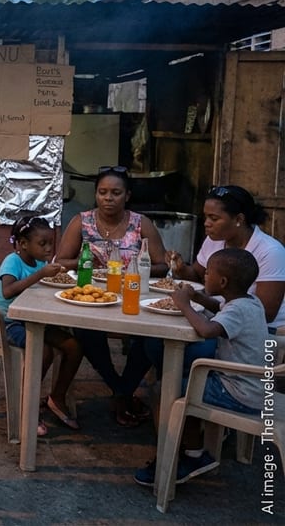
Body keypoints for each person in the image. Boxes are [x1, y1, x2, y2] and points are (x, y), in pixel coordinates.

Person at [134, 248, 268, 487]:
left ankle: (168, 459)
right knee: (183, 382)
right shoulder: (248, 302)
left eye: (208, 274)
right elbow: (218, 310)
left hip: (237, 391)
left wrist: (184, 304)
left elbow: (206, 331)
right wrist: (197, 298)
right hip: (248, 385)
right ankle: (194, 454)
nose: (203, 276)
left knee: (165, 390)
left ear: (223, 282)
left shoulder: (237, 310)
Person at [56, 166, 166, 427]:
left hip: (132, 296)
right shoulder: (81, 222)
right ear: (95, 195)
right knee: (85, 333)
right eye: (102, 192)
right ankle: (121, 392)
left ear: (127, 196)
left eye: (115, 192)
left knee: (149, 337)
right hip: (93, 297)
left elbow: (162, 266)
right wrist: (85, 264)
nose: (108, 198)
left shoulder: (141, 224)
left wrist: (137, 266)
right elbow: (60, 261)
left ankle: (122, 392)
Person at [0, 215, 83, 434]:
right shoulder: (13, 261)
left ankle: (57, 397)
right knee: (43, 350)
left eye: (50, 244)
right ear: (24, 244)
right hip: (9, 323)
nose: (48, 249)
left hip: (34, 321)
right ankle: (28, 404)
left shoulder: (40, 263)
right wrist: (40, 275)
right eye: (42, 244)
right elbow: (8, 291)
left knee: (74, 346)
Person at [167, 184, 285, 330]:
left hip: (258, 331)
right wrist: (182, 269)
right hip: (219, 317)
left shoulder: (270, 251)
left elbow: (264, 314)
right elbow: (198, 276)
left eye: (214, 218)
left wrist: (192, 305)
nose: (206, 224)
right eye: (206, 217)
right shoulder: (214, 240)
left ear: (239, 219)